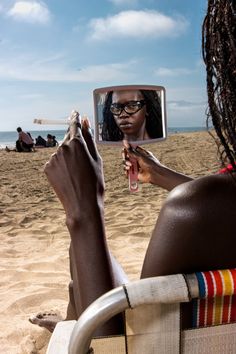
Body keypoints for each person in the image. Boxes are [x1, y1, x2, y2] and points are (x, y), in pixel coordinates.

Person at [29, 0, 236, 335]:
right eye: (117, 109)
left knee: (80, 257)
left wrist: (83, 211)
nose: (123, 114)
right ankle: (72, 316)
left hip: (133, 338)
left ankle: (71, 326)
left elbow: (123, 345)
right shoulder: (209, 204)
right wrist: (162, 175)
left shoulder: (195, 211)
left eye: (134, 105)